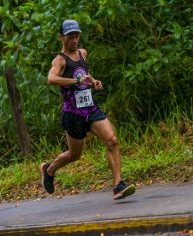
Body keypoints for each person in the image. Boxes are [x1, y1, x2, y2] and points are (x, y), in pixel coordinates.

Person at [40, 19, 135, 200]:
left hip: (90, 108)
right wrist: (76, 82)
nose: (74, 40)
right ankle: (49, 170)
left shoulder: (83, 53)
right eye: (70, 37)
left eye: (76, 36)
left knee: (112, 140)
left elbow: (83, 74)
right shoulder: (59, 60)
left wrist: (92, 81)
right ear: (62, 38)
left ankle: (118, 186)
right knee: (74, 155)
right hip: (72, 113)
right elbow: (51, 79)